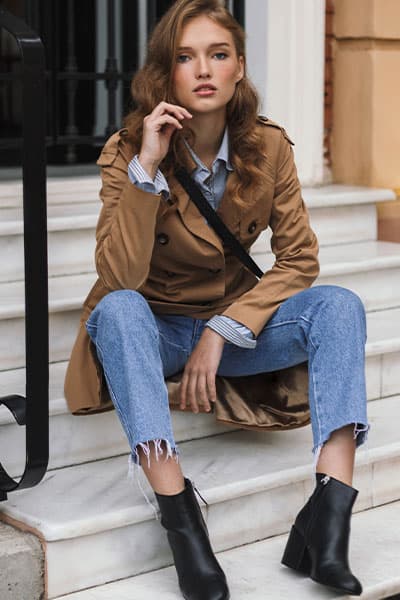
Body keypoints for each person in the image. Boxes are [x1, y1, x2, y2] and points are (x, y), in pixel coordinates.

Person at [64, 1, 370, 598]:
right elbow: (120, 276)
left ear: (238, 69)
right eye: (185, 57)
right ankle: (183, 522)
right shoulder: (128, 151)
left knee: (340, 305)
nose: (203, 69)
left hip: (228, 332)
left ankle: (327, 522)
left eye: (218, 54)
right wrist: (148, 168)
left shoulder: (268, 148)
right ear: (165, 74)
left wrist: (223, 328)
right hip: (152, 329)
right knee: (117, 309)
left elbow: (300, 258)